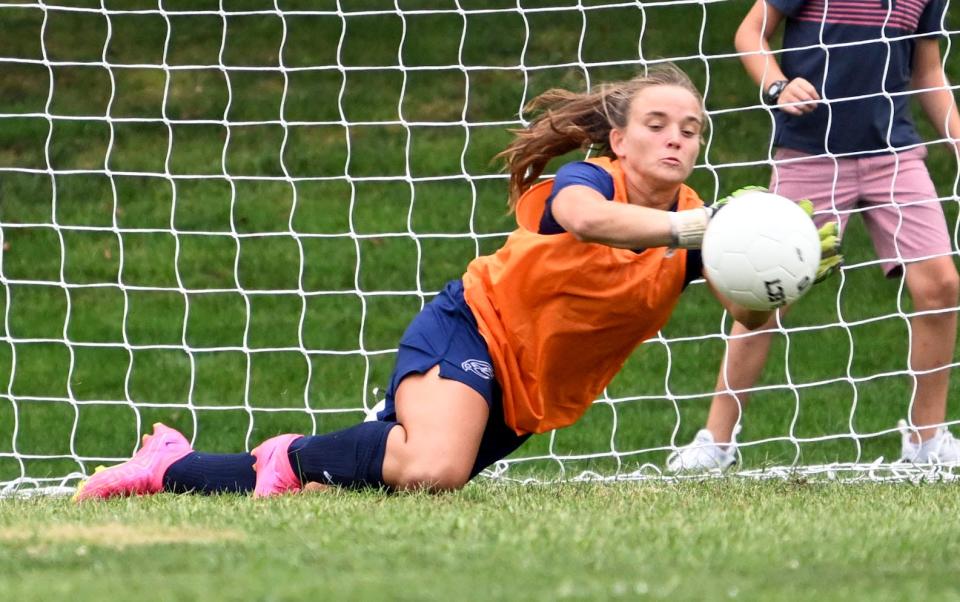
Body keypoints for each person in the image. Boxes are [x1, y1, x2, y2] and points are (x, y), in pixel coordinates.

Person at [73, 64, 821, 501]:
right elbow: (588, 221)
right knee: (433, 467)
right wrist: (699, 231)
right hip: (472, 329)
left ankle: (169, 463)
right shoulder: (589, 179)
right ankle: (287, 454)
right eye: (658, 123)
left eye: (691, 129)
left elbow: (745, 316)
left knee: (391, 473)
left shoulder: (702, 225)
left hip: (527, 399)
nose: (676, 138)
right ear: (619, 138)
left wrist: (776, 271)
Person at [667, 0, 960, 472]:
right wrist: (778, 85)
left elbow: (928, 71)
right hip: (810, 153)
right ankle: (715, 442)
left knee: (941, 286)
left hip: (895, 154)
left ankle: (927, 441)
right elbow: (750, 34)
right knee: (766, 293)